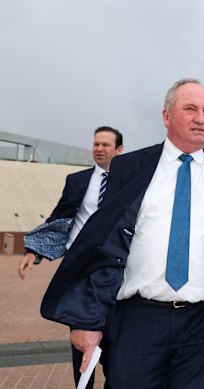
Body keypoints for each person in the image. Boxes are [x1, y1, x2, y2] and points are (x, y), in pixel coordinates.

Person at [40, 78, 204, 388]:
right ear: (167, 116)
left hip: (203, 326)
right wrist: (85, 319)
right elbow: (101, 245)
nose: (201, 118)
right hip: (137, 320)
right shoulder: (129, 169)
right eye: (191, 109)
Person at [18, 126, 123, 389]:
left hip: (116, 274)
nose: (99, 149)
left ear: (119, 150)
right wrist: (36, 250)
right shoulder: (76, 181)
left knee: (116, 350)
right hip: (80, 272)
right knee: (81, 343)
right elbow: (59, 219)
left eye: (105, 145)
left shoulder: (130, 183)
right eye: (96, 144)